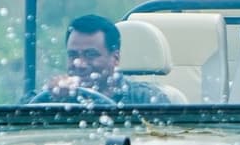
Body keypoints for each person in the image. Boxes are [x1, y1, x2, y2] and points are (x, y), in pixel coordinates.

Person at [40, 14, 171, 105]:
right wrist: (52, 96)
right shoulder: (52, 97)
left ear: (115, 58)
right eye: (73, 55)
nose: (79, 64)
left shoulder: (146, 99)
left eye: (90, 54)